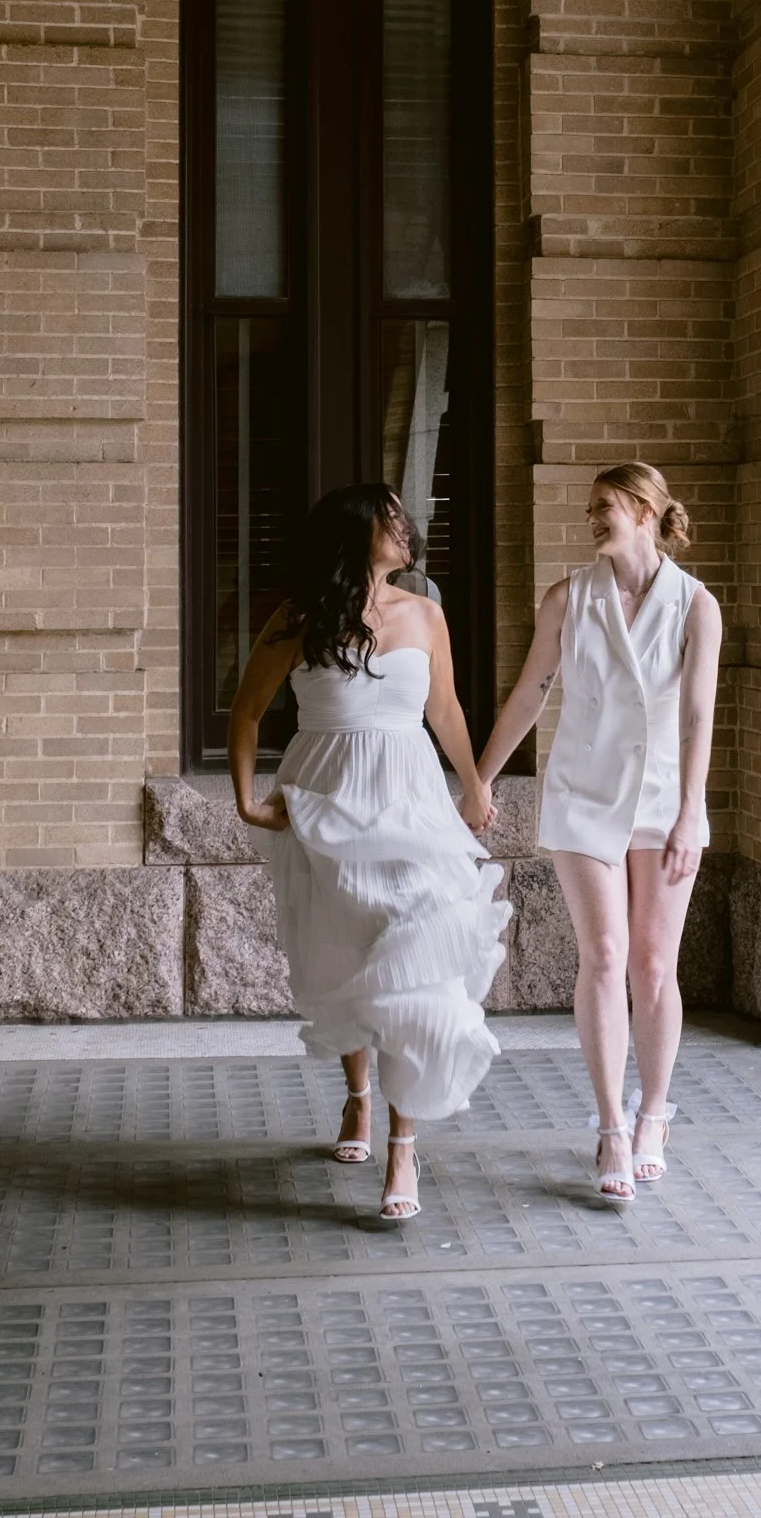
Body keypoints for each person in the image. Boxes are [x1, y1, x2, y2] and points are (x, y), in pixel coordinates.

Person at [229, 483, 508, 1222]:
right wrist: (245, 798)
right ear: (356, 534)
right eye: (390, 519)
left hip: (409, 798)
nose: (406, 528)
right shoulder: (298, 618)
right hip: (324, 796)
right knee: (346, 956)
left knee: (413, 965)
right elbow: (246, 711)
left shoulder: (425, 612)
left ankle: (403, 1145)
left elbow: (443, 709)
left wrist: (474, 787)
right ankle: (358, 1100)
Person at [476, 463, 721, 1204]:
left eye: (605, 508)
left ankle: (654, 1115)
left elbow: (697, 715)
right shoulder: (568, 598)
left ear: (645, 512)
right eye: (589, 510)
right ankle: (610, 1126)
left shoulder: (694, 605)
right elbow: (531, 690)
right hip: (581, 797)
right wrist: (480, 778)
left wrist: (689, 811)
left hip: (661, 802)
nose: (592, 520)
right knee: (605, 955)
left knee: (652, 966)